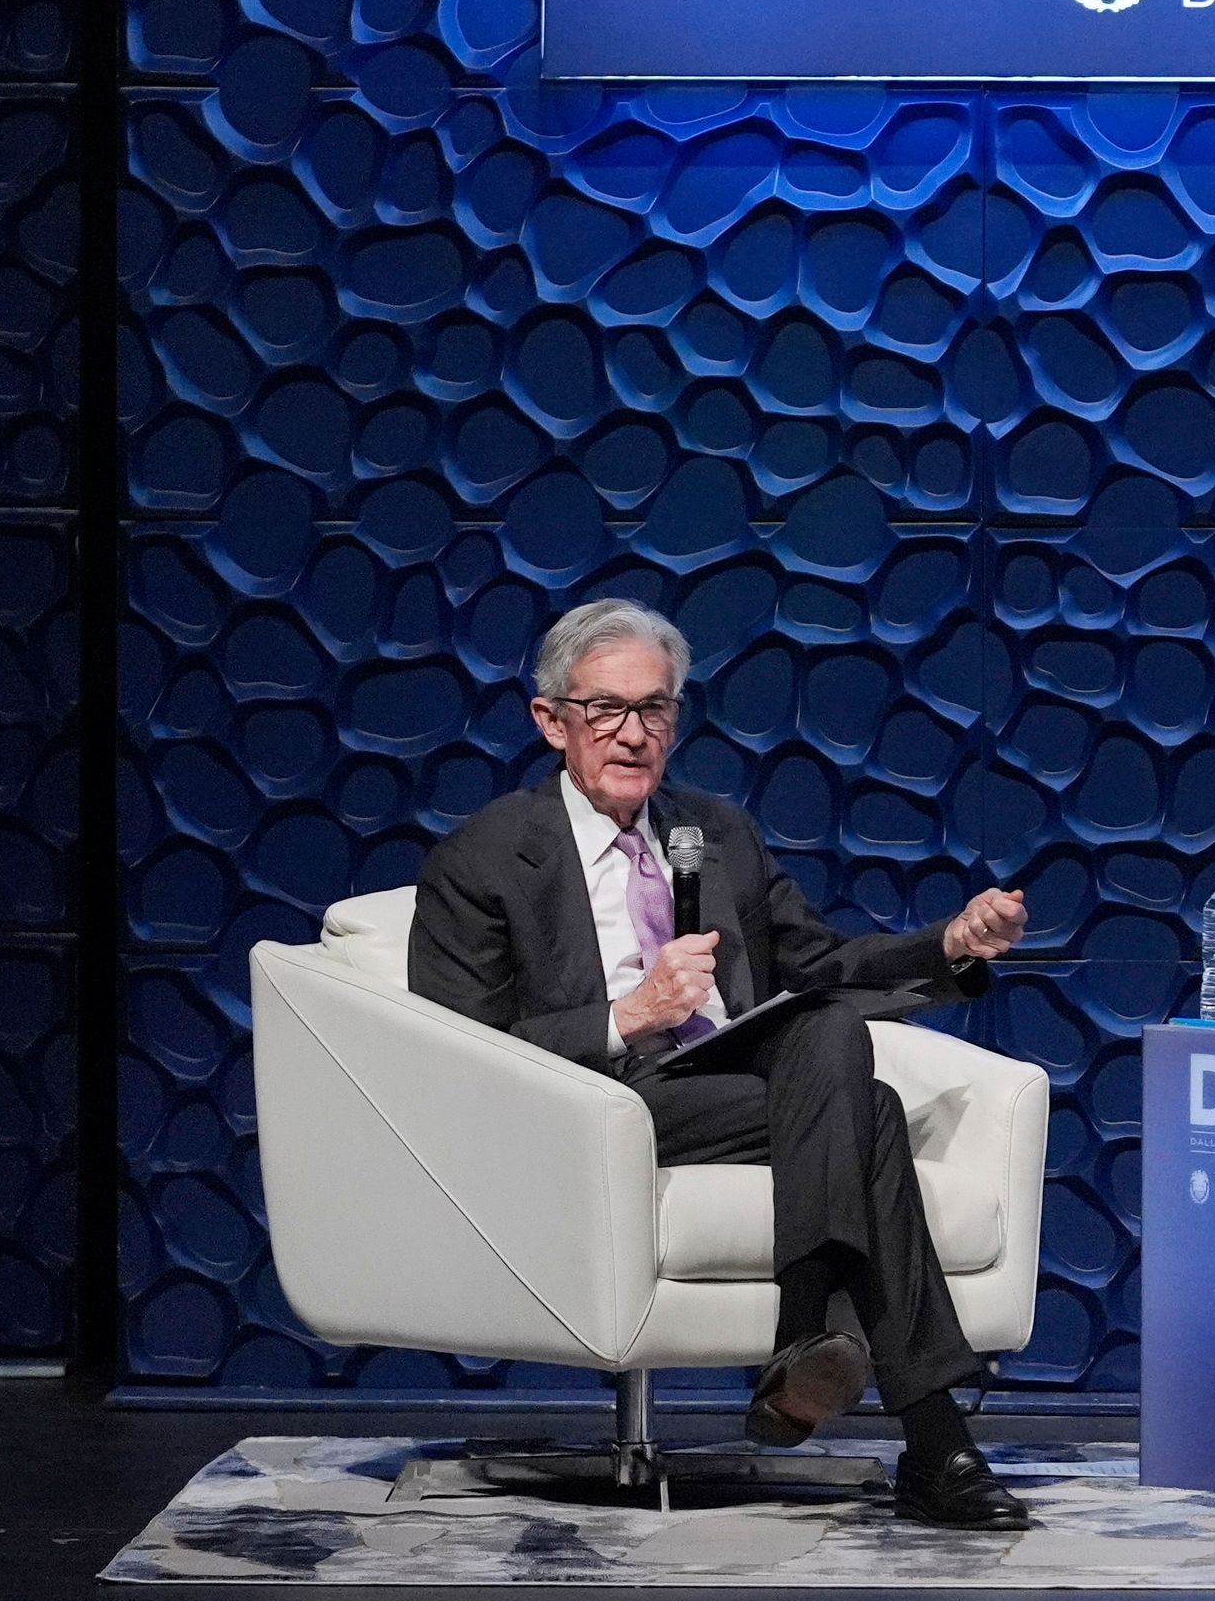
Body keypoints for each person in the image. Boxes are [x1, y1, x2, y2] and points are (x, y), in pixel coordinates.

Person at [407, 596, 1039, 1530]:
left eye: (654, 709)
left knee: (832, 1038)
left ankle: (807, 1341)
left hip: (727, 1085)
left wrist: (948, 943)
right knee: (860, 1110)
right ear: (552, 721)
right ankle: (933, 1440)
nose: (633, 735)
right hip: (594, 1099)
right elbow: (456, 1054)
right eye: (606, 711)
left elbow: (819, 967)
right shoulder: (485, 858)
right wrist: (627, 1015)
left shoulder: (715, 832)